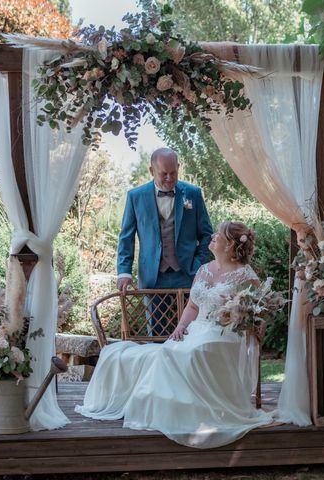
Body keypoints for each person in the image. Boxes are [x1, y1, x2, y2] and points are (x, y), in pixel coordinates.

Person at [76, 221, 275, 448]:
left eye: (218, 235)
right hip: (197, 329)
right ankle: (171, 407)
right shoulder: (204, 269)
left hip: (223, 335)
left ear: (230, 245)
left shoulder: (245, 275)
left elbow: (262, 308)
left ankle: (188, 410)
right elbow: (192, 306)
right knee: (161, 351)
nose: (212, 236)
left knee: (191, 351)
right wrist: (180, 327)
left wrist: (250, 326)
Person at [116, 147, 213, 335]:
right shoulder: (135, 196)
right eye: (164, 174)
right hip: (153, 276)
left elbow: (206, 234)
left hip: (188, 274)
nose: (169, 178)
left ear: (178, 167)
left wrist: (199, 264)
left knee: (192, 331)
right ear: (152, 171)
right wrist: (124, 271)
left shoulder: (192, 193)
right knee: (156, 334)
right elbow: (126, 237)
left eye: (173, 173)